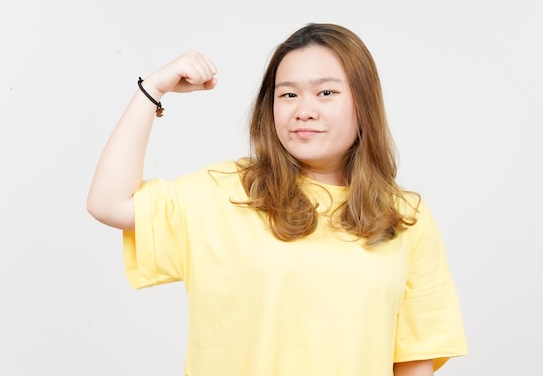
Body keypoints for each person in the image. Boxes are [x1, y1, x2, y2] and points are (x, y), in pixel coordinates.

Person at [87, 23, 468, 375]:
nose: (304, 110)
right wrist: (152, 88)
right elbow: (109, 203)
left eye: (326, 92)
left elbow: (413, 360)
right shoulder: (229, 192)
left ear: (363, 102)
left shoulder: (404, 215)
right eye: (288, 94)